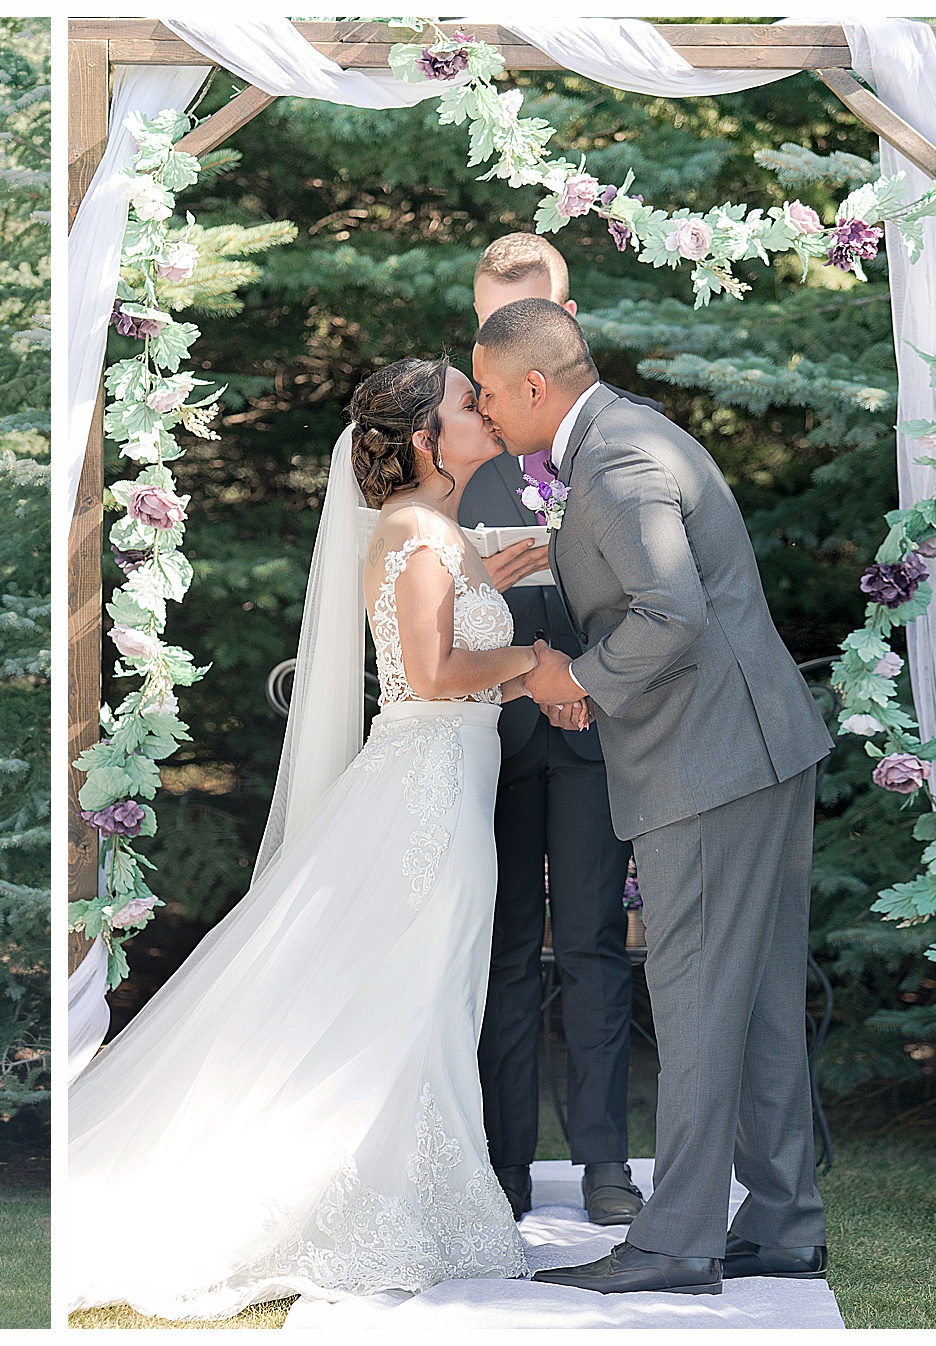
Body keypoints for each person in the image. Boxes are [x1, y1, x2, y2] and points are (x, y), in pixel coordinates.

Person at [67, 358, 553, 1319]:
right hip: (427, 794)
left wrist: (494, 603)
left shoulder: (432, 529)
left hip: (448, 782)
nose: (481, 412)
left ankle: (420, 1199)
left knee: (429, 987)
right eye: (465, 403)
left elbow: (446, 649)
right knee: (416, 987)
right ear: (424, 437)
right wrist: (535, 658)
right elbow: (432, 670)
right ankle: (385, 1206)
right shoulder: (415, 529)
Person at [475, 298, 831, 1295]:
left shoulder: (618, 457)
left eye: (494, 393)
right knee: (755, 996)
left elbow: (670, 611)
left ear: (535, 384)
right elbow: (656, 584)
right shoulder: (623, 437)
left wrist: (577, 679)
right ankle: (785, 1220)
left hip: (711, 761)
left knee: (694, 995)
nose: (489, 413)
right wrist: (561, 557)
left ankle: (676, 1240)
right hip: (749, 749)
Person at [461, 233, 655, 1226]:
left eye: (520, 314)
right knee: (496, 951)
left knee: (589, 944)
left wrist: (578, 677)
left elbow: (656, 586)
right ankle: (500, 1164)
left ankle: (606, 1165)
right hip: (488, 737)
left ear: (563, 318)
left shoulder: (622, 433)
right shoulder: (455, 435)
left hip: (588, 727)